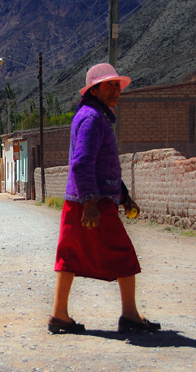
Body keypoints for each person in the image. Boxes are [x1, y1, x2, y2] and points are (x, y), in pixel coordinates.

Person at [48, 63, 161, 334]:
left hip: (82, 200)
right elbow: (82, 163)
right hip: (91, 204)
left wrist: (123, 197)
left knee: (69, 256)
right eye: (109, 85)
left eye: (117, 85)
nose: (116, 90)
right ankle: (130, 316)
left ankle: (59, 315)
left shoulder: (94, 115)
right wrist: (90, 203)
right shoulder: (92, 119)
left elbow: (103, 166)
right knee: (123, 254)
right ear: (94, 89)